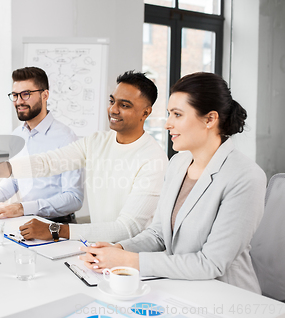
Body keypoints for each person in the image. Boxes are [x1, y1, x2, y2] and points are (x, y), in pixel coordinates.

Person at [79, 72, 266, 293]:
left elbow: (210, 263)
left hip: (224, 296)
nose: (167, 124)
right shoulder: (178, 163)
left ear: (210, 119)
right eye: (169, 114)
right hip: (177, 287)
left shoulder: (245, 177)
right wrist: (117, 249)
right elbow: (158, 234)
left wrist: (127, 260)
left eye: (177, 115)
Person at [0, 71, 168, 243]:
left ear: (146, 112)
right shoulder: (96, 141)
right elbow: (48, 162)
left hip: (132, 257)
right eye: (112, 101)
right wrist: (2, 170)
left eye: (124, 105)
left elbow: (127, 228)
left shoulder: (153, 158)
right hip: (99, 245)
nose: (113, 110)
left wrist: (55, 230)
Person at [0, 67, 84, 223]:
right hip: (25, 221)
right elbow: (15, 180)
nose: (19, 101)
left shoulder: (66, 138)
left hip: (57, 225)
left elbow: (74, 198)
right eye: (15, 95)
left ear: (45, 95)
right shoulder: (17, 135)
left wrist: (23, 208)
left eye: (26, 94)